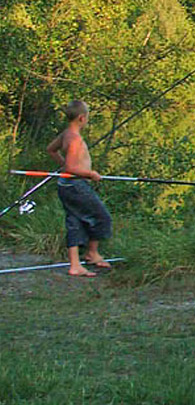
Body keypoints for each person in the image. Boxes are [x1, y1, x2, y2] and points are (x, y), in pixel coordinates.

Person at [46, 100, 112, 277]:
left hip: (66, 185)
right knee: (102, 216)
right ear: (82, 118)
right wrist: (90, 174)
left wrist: (63, 165)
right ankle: (92, 253)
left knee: (74, 221)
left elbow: (51, 150)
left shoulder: (66, 134)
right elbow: (70, 169)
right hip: (75, 185)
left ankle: (75, 264)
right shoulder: (75, 139)